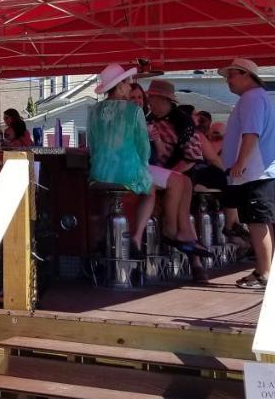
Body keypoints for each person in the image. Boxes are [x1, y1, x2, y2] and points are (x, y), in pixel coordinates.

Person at [218, 58, 275, 288]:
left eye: (232, 76)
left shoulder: (252, 98)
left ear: (246, 75)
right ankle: (264, 269)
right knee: (260, 221)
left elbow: (251, 133)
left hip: (256, 171)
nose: (228, 81)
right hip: (257, 171)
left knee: (258, 221)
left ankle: (265, 272)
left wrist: (240, 162)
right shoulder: (258, 98)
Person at [88, 63, 156, 260]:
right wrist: (144, 168)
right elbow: (143, 147)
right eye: (128, 83)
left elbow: (92, 144)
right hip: (127, 172)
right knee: (151, 191)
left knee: (106, 195)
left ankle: (103, 237)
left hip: (98, 172)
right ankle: (136, 236)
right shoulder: (134, 111)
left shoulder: (93, 111)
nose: (130, 86)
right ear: (119, 86)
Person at [144, 80, 211, 278]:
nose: (149, 101)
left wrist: (170, 174)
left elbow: (191, 157)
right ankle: (192, 255)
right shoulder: (147, 120)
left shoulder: (183, 121)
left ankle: (187, 249)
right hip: (158, 171)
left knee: (184, 185)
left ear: (163, 99)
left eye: (152, 97)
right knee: (182, 188)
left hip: (182, 168)